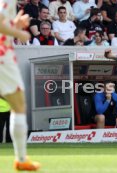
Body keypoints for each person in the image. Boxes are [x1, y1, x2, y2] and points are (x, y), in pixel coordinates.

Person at [0, 0, 40, 170]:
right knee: (19, 105)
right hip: (2, 55)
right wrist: (19, 33)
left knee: (19, 105)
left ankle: (21, 159)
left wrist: (15, 24)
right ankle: (21, 159)